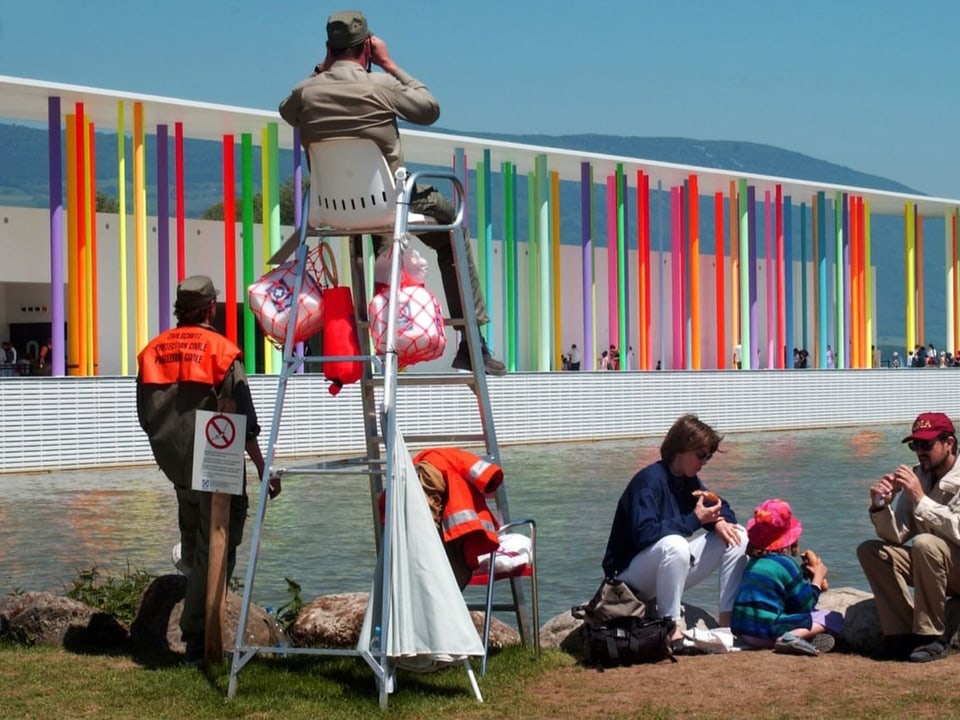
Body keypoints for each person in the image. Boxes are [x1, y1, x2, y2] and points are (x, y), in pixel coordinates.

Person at [278, 9, 504, 376]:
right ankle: (471, 341)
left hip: (328, 210)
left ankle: (383, 337)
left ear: (329, 48)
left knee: (383, 234)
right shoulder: (380, 86)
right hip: (389, 202)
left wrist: (322, 68)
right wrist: (389, 63)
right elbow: (429, 109)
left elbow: (287, 111)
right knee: (452, 228)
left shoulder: (306, 92)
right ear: (367, 46)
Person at [136, 275, 282, 662]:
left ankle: (194, 618)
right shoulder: (222, 352)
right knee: (219, 545)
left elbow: (143, 416)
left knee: (192, 537)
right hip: (216, 466)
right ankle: (198, 636)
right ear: (211, 309)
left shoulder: (153, 351)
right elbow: (243, 422)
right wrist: (264, 468)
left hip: (175, 465)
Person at [601, 414, 747, 642]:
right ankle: (670, 627)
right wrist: (695, 520)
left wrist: (717, 521)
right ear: (682, 447)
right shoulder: (649, 480)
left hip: (666, 568)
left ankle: (726, 625)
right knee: (676, 543)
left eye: (707, 457)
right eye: (700, 455)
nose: (704, 462)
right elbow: (644, 534)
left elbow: (724, 508)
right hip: (629, 578)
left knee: (737, 534)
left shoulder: (689, 481)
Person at [857, 412, 960, 662]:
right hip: (934, 565)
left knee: (925, 544)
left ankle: (932, 637)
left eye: (927, 444)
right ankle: (901, 633)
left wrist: (921, 500)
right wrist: (881, 506)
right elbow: (898, 535)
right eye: (916, 445)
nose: (920, 452)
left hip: (952, 564)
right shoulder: (919, 476)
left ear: (949, 443)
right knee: (871, 551)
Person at [732, 499, 842, 655]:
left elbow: (783, 595)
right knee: (832, 618)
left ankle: (799, 638)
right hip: (765, 633)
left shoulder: (754, 563)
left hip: (745, 631)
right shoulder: (786, 564)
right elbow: (806, 605)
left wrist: (803, 575)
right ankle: (791, 637)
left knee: (804, 616)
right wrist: (818, 578)